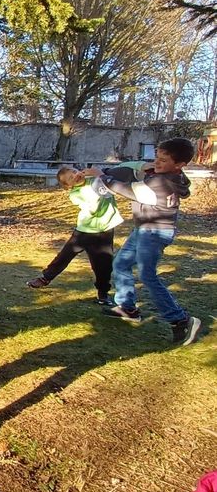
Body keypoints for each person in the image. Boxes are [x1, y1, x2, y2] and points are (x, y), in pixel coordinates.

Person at [85, 138, 202, 346]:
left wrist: (101, 176)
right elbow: (136, 168)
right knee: (121, 263)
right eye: (157, 157)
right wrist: (143, 166)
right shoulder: (170, 175)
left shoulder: (161, 181)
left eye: (163, 160)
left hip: (155, 232)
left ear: (179, 165)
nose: (157, 162)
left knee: (147, 275)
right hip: (144, 228)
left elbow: (127, 190)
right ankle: (127, 307)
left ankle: (180, 320)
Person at [26, 165, 123, 305]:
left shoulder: (95, 179)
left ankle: (103, 294)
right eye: (71, 178)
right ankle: (46, 278)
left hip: (105, 230)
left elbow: (112, 184)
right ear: (69, 186)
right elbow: (93, 208)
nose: (75, 176)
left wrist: (99, 175)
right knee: (64, 256)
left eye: (75, 172)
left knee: (103, 264)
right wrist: (98, 188)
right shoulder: (75, 194)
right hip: (84, 231)